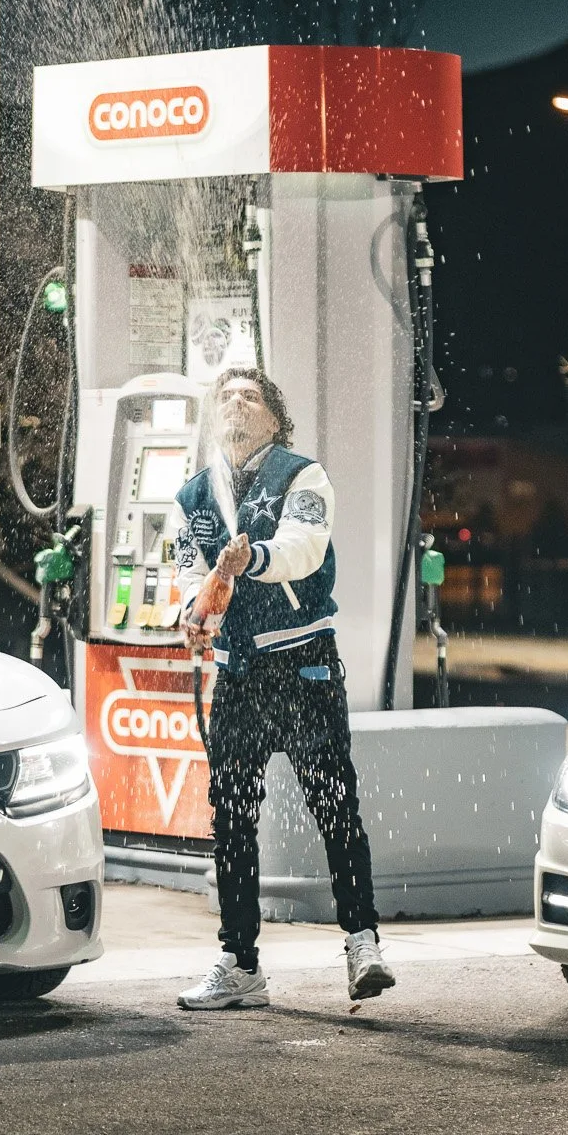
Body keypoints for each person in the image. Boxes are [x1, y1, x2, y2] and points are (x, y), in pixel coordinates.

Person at [169, 367, 394, 1010]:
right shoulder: (192, 496)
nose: (238, 403)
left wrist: (253, 560)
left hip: (304, 667)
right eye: (227, 396)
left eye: (253, 396)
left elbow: (305, 547)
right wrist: (193, 608)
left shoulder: (302, 475)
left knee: (334, 805)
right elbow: (187, 570)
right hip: (237, 674)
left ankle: (362, 942)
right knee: (232, 818)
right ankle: (240, 965)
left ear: (275, 417)